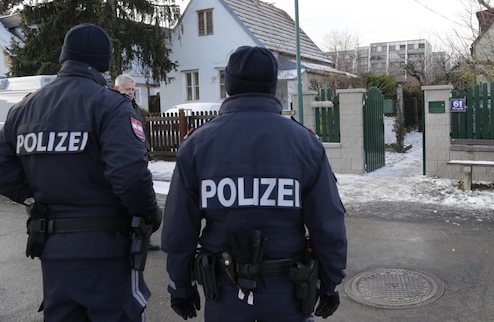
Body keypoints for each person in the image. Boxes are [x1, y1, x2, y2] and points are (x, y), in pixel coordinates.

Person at [161, 46, 348, 321]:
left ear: (229, 86)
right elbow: (328, 224)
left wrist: (180, 285)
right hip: (288, 293)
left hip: (224, 292)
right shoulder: (305, 144)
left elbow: (179, 227)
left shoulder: (198, 144)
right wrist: (330, 283)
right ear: (273, 86)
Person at [0, 23, 162, 321]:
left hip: (52, 246)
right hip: (107, 248)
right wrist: (151, 214)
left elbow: (3, 167)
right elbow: (129, 175)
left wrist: (33, 199)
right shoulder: (110, 106)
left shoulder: (24, 109)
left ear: (65, 56)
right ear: (104, 64)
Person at [114, 73, 160, 251]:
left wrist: (145, 148)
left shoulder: (133, 106)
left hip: (139, 155)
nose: (131, 92)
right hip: (125, 161)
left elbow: (138, 130)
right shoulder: (114, 106)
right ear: (118, 89)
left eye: (133, 89)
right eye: (128, 89)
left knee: (140, 200)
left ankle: (143, 240)